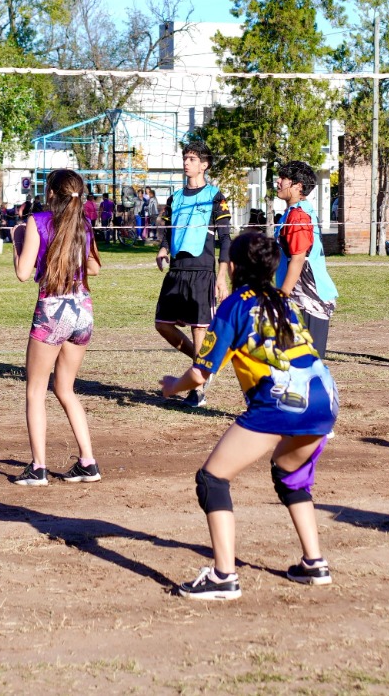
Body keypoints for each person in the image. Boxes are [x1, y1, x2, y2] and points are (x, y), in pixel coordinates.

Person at [160, 231, 339, 600]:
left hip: (282, 401)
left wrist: (171, 387)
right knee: (290, 475)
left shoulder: (234, 306)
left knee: (212, 479)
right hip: (324, 397)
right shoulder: (284, 300)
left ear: (234, 267)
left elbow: (200, 373)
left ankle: (223, 576)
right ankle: (314, 562)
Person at [10, 169, 103, 487]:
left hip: (53, 310)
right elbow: (94, 268)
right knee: (65, 389)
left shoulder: (37, 222)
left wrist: (17, 242)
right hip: (82, 310)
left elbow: (23, 273)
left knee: (36, 390)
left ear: (51, 193)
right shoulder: (84, 223)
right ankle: (87, 462)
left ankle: (38, 468)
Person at [154, 142, 233, 408]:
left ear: (204, 165)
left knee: (199, 329)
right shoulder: (175, 198)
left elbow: (225, 239)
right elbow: (167, 232)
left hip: (202, 271)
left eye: (192, 159)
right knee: (162, 324)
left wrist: (222, 276)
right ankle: (203, 364)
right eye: (185, 158)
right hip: (177, 270)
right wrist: (163, 248)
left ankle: (197, 390)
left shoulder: (215, 196)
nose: (186, 162)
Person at [274, 161, 338, 359]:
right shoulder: (292, 212)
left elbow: (299, 258)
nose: (278, 181)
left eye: (284, 178)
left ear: (298, 186)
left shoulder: (299, 216)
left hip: (308, 299)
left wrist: (281, 296)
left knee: (308, 365)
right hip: (298, 296)